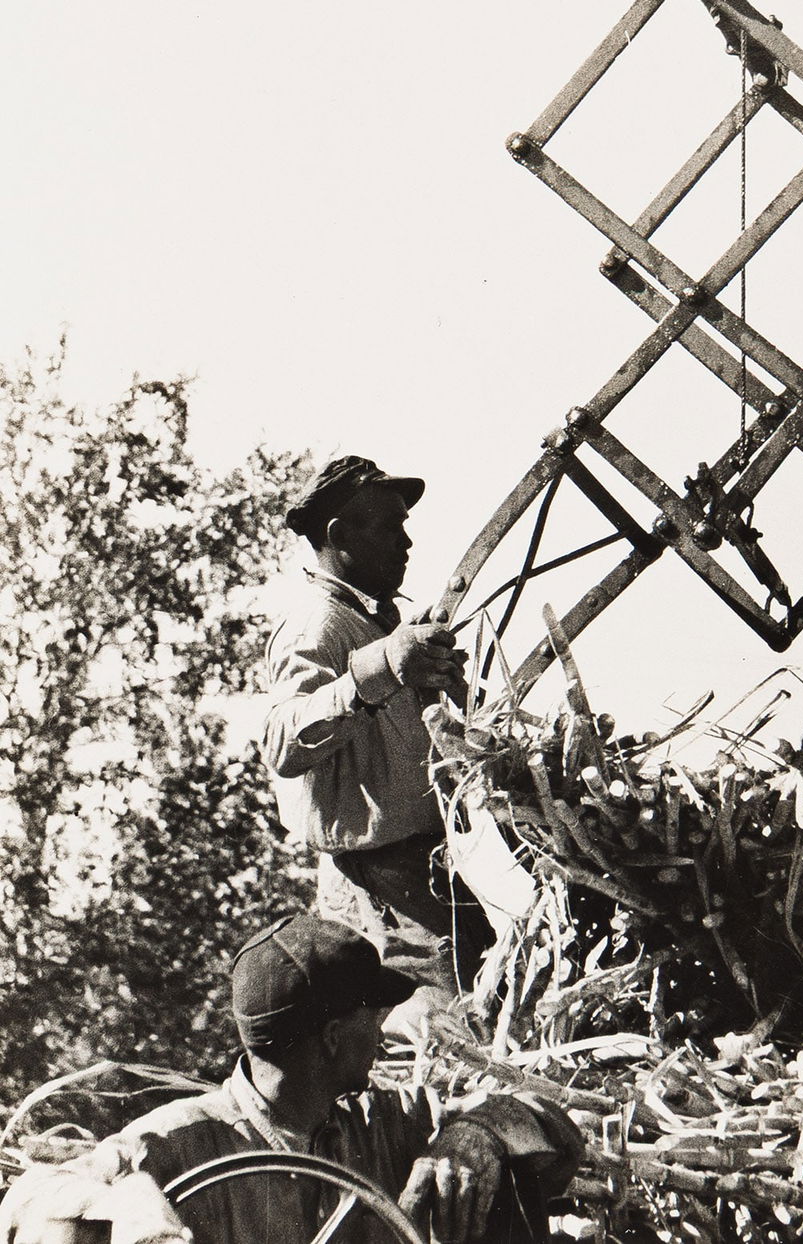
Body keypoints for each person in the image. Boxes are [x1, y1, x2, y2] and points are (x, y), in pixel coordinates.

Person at [0, 916, 584, 1244]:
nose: (383, 1029)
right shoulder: (174, 1144)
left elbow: (553, 1127)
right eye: (371, 1012)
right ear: (331, 1037)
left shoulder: (396, 1124)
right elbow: (26, 1205)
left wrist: (477, 1132)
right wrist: (125, 1208)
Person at [261, 456, 494, 992]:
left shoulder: (375, 620)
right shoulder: (317, 625)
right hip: (383, 891)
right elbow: (282, 742)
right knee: (436, 1037)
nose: (406, 542)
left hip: (426, 877)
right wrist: (380, 668)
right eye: (391, 526)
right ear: (340, 535)